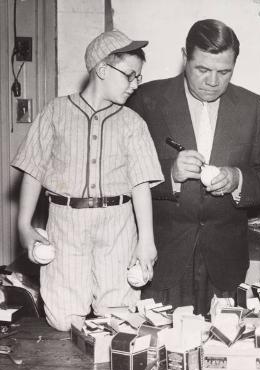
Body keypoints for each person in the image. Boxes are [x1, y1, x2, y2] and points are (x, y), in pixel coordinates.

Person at [126, 19, 260, 315]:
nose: (212, 81)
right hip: (162, 258)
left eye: (224, 72)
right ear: (185, 58)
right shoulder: (146, 100)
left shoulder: (252, 106)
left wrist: (238, 179)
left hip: (226, 262)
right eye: (202, 69)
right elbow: (120, 172)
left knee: (223, 353)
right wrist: (169, 173)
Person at [11, 30, 164, 331]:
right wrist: (24, 227)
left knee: (118, 314)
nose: (135, 85)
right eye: (130, 76)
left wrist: (146, 241)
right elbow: (33, 172)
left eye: (139, 78)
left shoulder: (133, 123)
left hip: (117, 223)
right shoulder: (54, 112)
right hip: (66, 221)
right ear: (103, 70)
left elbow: (141, 185)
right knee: (63, 318)